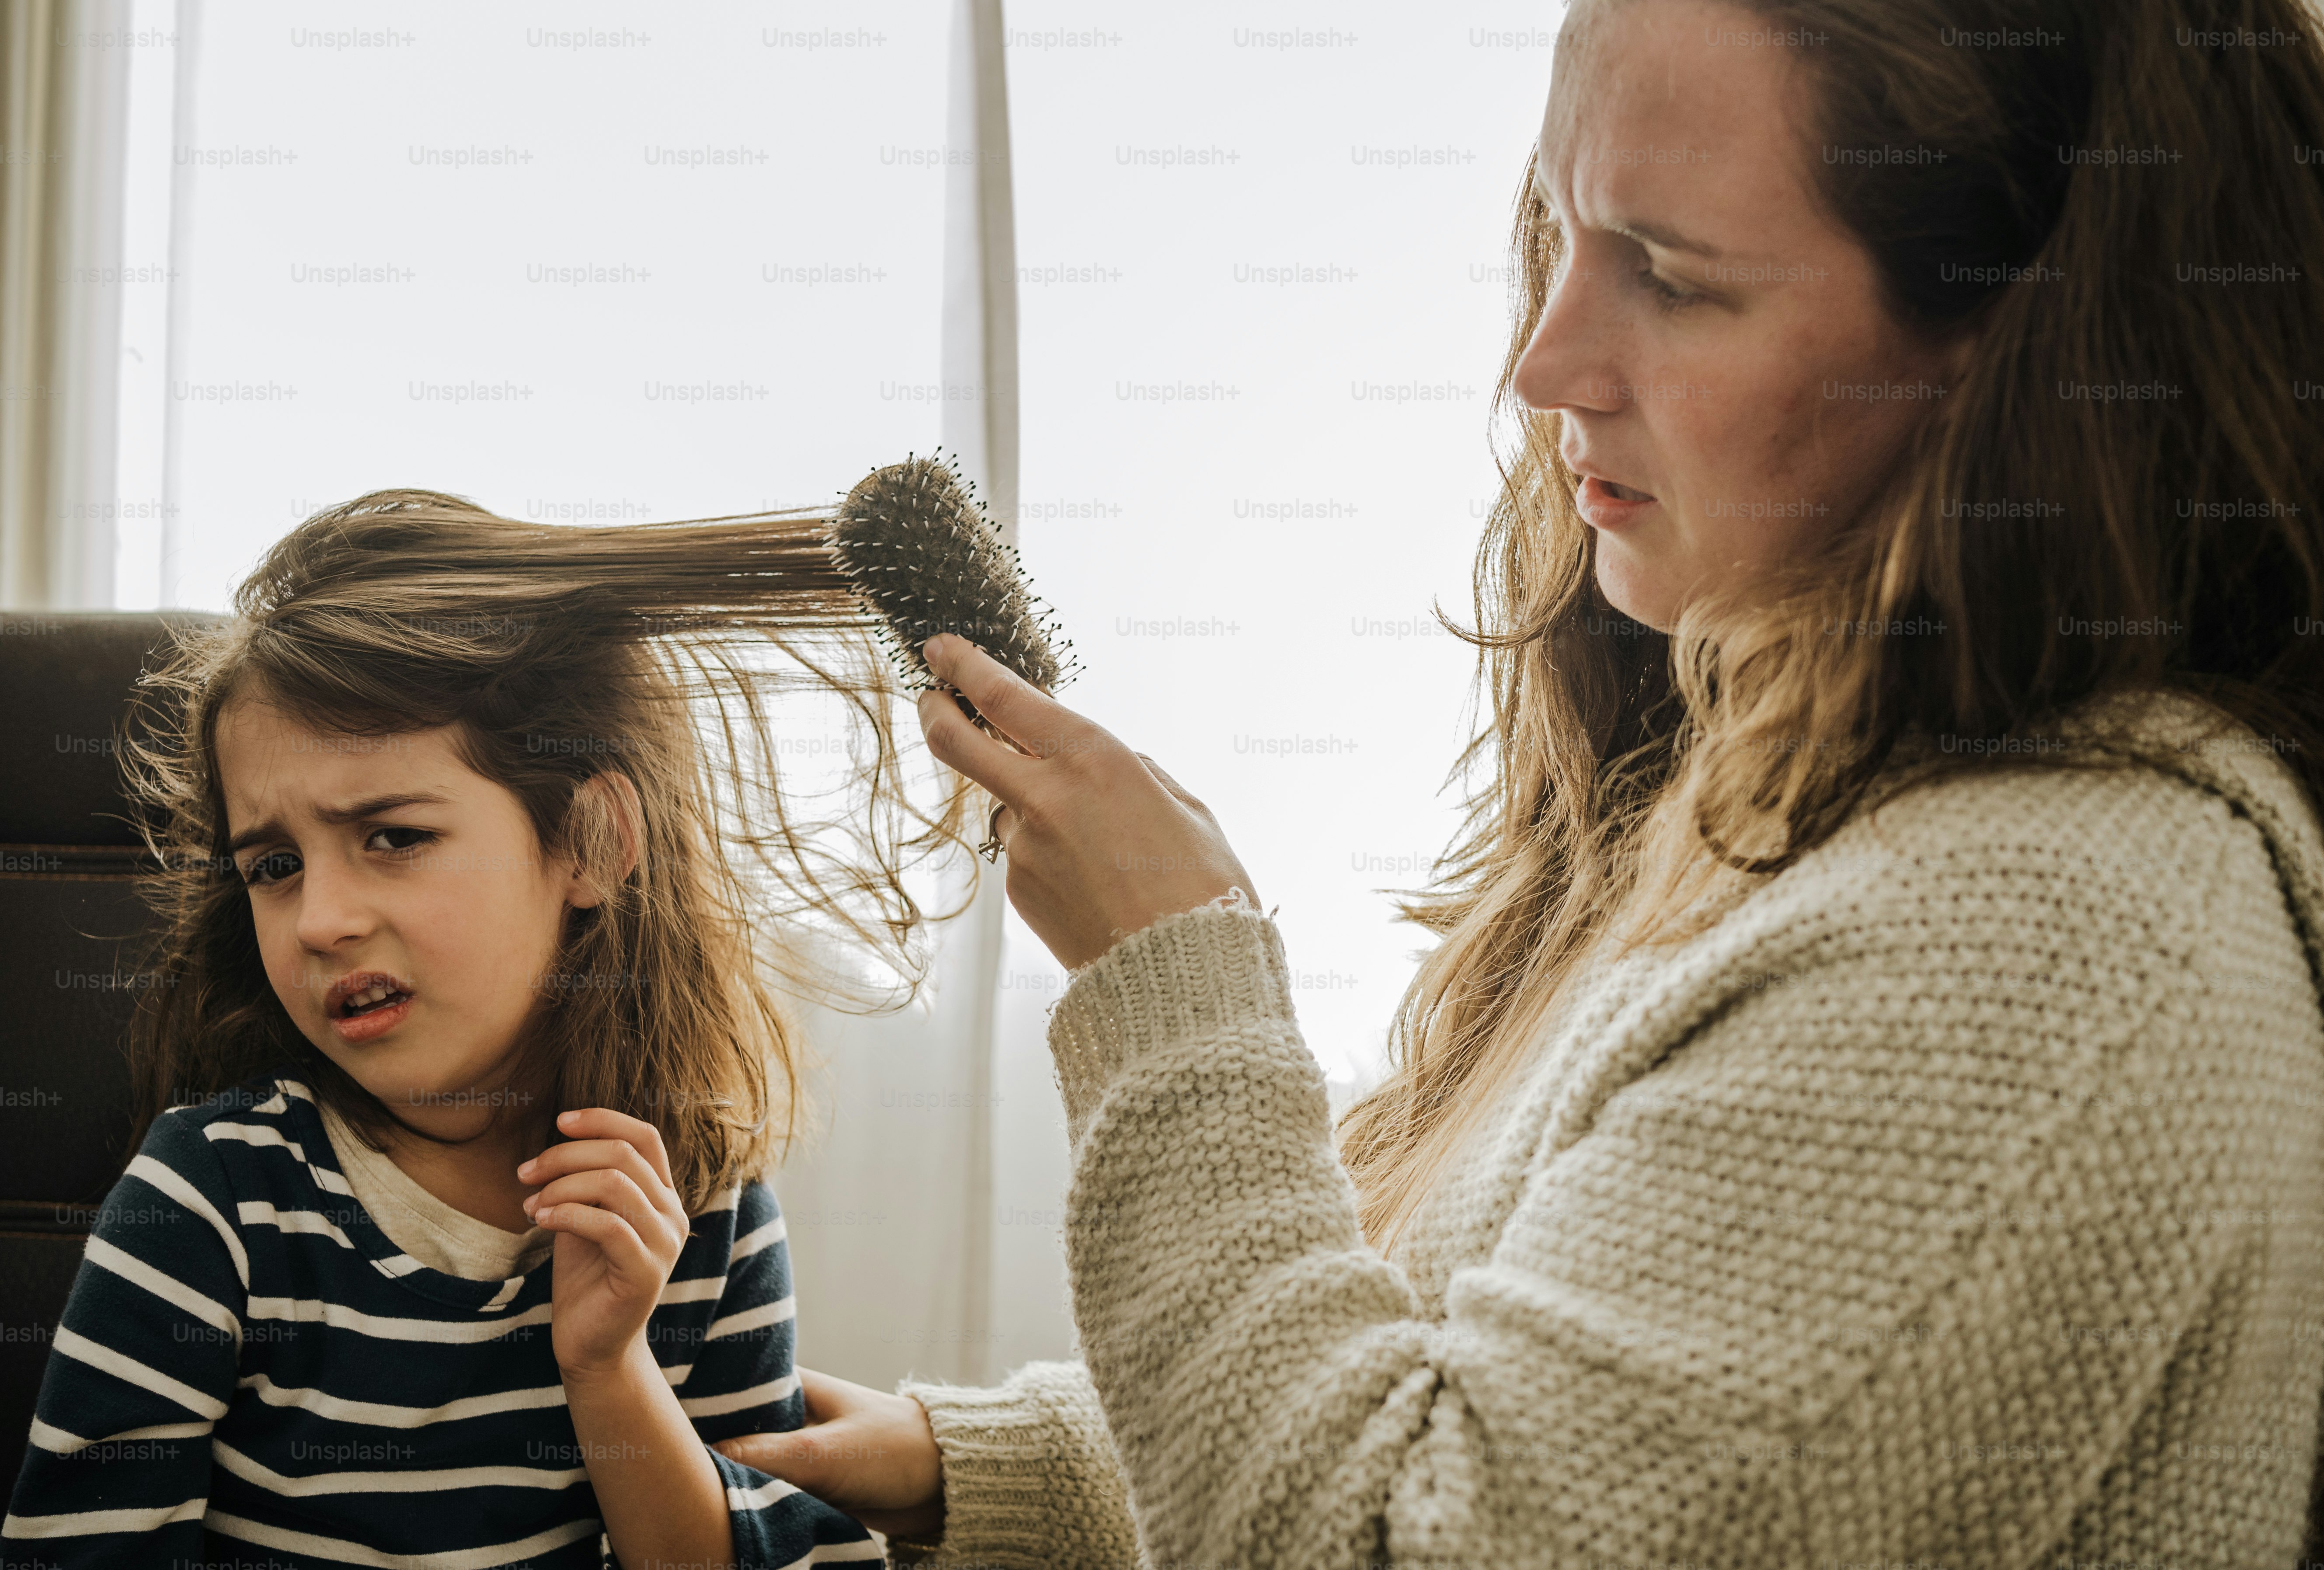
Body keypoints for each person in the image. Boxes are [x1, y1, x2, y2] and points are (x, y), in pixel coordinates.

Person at [713, 0, 2324, 1565]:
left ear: (2012, 354)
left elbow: (1402, 1540)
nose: (1545, 363)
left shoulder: (2034, 949)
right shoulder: (1787, 811)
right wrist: (996, 1473)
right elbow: (1511, 1410)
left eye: (1675, 282)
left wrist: (1172, 990)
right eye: (1557, 230)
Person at [0, 491, 982, 1568]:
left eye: (394, 835)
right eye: (273, 867)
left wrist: (610, 1368)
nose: (321, 918)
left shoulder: (707, 1207)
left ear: (593, 843)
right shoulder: (211, 1199)